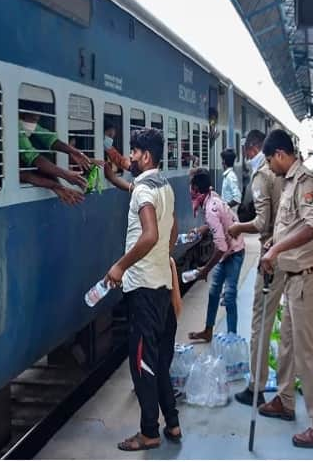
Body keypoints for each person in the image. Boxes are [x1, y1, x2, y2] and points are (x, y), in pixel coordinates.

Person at [259, 129, 313, 448]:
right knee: (289, 345)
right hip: (293, 279)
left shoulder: (304, 181)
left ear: (280, 154)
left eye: (269, 160)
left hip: (305, 278)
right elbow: (291, 225)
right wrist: (273, 242)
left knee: (304, 352)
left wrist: (276, 252)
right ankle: (285, 400)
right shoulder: (288, 181)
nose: (268, 167)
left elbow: (311, 225)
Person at [104, 128, 181, 451]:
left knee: (142, 364)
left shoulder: (143, 192)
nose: (130, 158)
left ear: (145, 156)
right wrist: (112, 176)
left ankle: (149, 432)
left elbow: (149, 234)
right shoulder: (162, 185)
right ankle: (172, 425)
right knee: (160, 362)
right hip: (161, 285)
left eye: (133, 153)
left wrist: (121, 266)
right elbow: (171, 229)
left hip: (144, 290)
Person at [226, 133, 285, 407]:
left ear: (252, 149)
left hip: (272, 254)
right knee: (295, 324)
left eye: (247, 152)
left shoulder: (262, 175)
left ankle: (256, 386)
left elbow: (262, 222)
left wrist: (238, 227)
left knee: (260, 320)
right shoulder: (282, 173)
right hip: (286, 249)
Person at [186, 169, 245, 341]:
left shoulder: (210, 209)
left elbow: (220, 247)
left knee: (229, 296)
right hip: (228, 253)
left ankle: (232, 338)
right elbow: (219, 221)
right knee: (213, 294)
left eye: (191, 186)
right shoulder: (211, 195)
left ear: (196, 189)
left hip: (234, 252)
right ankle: (208, 331)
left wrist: (205, 269)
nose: (189, 190)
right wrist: (201, 230)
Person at [18, 104, 96, 205]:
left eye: (37, 120)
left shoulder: (28, 125)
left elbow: (50, 139)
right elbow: (32, 157)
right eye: (33, 119)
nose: (35, 123)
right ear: (21, 114)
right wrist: (65, 175)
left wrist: (73, 151)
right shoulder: (17, 126)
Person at [237, 129, 266, 223]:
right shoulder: (256, 165)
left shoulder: (264, 167)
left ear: (252, 147)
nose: (244, 154)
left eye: (245, 149)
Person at [103, 120, 134, 192]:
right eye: (109, 135)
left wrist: (132, 168)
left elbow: (119, 159)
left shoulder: (109, 148)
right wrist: (136, 189)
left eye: (112, 137)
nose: (110, 139)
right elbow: (113, 179)